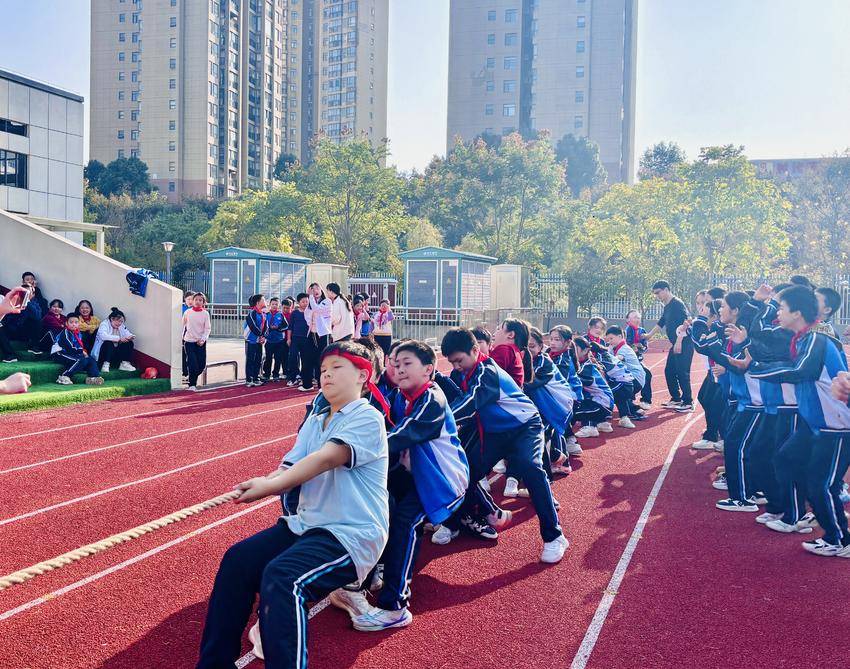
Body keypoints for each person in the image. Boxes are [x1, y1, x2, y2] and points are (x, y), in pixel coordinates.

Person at [196, 340, 390, 668]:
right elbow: (289, 467)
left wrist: (269, 487)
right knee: (238, 561)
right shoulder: (316, 420)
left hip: (350, 533)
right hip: (308, 525)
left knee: (284, 578)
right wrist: (264, 481)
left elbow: (326, 458)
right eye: (323, 369)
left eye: (337, 368)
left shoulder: (367, 417)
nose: (326, 375)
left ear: (363, 376)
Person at [330, 340, 469, 631]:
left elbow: (401, 435)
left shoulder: (432, 399)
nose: (399, 369)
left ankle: (395, 606)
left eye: (407, 363)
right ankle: (367, 574)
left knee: (406, 521)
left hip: (442, 480)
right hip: (414, 474)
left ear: (428, 369)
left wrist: (350, 452)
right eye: (395, 363)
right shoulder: (398, 396)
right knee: (379, 506)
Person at [441, 327, 568, 563]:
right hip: (496, 432)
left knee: (530, 467)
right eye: (452, 362)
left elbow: (469, 403)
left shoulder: (487, 371)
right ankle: (485, 514)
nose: (456, 366)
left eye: (459, 360)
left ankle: (554, 536)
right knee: (464, 473)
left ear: (474, 350)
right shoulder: (465, 372)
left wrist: (434, 423)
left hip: (525, 427)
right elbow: (457, 397)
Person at [747, 285, 850, 557]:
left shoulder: (817, 339)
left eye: (781, 308)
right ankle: (800, 515)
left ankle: (840, 539)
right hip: (815, 424)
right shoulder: (802, 340)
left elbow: (800, 371)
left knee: (822, 485)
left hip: (836, 426)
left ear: (797, 312)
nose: (778, 313)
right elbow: (769, 351)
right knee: (786, 459)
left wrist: (756, 371)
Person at [647, 280, 693, 412]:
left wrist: (679, 341)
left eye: (658, 293)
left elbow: (686, 322)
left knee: (682, 372)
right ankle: (676, 398)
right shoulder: (667, 306)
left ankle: (688, 402)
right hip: (676, 343)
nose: (657, 296)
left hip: (684, 342)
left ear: (666, 289)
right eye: (655, 294)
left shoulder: (677, 304)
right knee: (669, 371)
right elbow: (661, 322)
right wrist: (649, 336)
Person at [571, 336, 615, 438]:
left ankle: (590, 427)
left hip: (602, 405)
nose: (571, 351)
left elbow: (581, 382)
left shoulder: (587, 367)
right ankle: (601, 422)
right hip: (604, 403)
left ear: (585, 350)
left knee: (572, 409)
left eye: (575, 348)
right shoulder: (584, 364)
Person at [53, 312, 104, 386]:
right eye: (71, 322)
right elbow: (69, 347)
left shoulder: (78, 333)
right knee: (80, 360)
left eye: (76, 322)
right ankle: (64, 376)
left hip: (72, 353)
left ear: (79, 323)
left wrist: (83, 353)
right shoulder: (65, 333)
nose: (74, 324)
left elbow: (78, 347)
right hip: (60, 353)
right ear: (66, 323)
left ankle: (93, 378)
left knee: (90, 360)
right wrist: (82, 352)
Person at [605, 325, 646, 413]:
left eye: (611, 338)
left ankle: (629, 411)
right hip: (629, 378)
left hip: (636, 380)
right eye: (608, 339)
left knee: (615, 389)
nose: (609, 341)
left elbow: (617, 359)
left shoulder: (624, 349)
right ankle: (634, 408)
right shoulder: (614, 347)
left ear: (620, 336)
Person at [303, 283, 332, 391]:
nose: (315, 291)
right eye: (312, 289)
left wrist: (310, 297)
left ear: (321, 290)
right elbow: (307, 315)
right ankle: (307, 384)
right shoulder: (310, 303)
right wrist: (312, 322)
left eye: (317, 288)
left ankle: (322, 385)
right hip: (312, 333)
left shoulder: (327, 301)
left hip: (323, 334)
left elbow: (317, 309)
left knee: (322, 359)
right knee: (308, 358)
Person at [92, 307, 136, 374]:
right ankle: (105, 364)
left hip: (114, 354)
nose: (119, 323)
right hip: (102, 354)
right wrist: (119, 339)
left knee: (129, 343)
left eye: (121, 321)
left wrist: (130, 336)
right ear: (111, 319)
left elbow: (126, 332)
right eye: (118, 321)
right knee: (108, 342)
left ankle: (124, 364)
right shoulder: (104, 324)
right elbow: (103, 336)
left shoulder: (120, 325)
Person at [183, 292, 211, 392]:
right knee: (192, 364)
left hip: (201, 343)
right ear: (193, 301)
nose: (198, 302)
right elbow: (183, 326)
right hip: (189, 342)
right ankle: (192, 384)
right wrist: (181, 338)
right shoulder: (188, 312)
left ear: (203, 302)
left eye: (200, 300)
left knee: (201, 365)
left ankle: (191, 377)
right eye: (196, 300)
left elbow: (207, 329)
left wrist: (203, 339)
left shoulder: (205, 314)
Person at [624, 310, 652, 409]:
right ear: (628, 320)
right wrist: (633, 346)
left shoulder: (642, 331)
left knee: (647, 374)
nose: (637, 319)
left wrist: (641, 347)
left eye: (638, 317)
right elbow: (625, 344)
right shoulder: (626, 331)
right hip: (628, 360)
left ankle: (645, 400)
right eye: (634, 317)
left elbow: (645, 347)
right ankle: (629, 399)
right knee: (641, 374)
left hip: (638, 360)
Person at [244, 294, 268, 388]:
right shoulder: (252, 313)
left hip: (259, 341)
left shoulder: (263, 314)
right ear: (258, 302)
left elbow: (266, 327)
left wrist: (264, 336)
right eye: (263, 300)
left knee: (258, 359)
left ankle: (256, 378)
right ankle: (249, 379)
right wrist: (260, 335)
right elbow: (252, 326)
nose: (265, 301)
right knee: (250, 359)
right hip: (251, 340)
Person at [262, 297, 287, 382]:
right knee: (268, 358)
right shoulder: (266, 315)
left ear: (279, 306)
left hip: (279, 341)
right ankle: (266, 374)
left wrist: (278, 328)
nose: (274, 306)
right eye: (273, 304)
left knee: (278, 359)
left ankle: (276, 374)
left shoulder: (281, 315)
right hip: (269, 341)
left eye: (276, 304)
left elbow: (286, 326)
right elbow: (263, 326)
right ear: (269, 305)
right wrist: (267, 331)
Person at [287, 293, 309, 388]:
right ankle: (293, 377)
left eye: (307, 301)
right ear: (298, 303)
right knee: (292, 357)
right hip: (295, 338)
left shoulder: (310, 312)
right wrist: (288, 338)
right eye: (303, 302)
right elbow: (290, 327)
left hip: (306, 339)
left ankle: (304, 378)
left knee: (305, 359)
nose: (305, 303)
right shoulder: (294, 313)